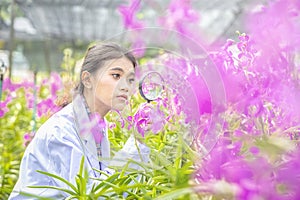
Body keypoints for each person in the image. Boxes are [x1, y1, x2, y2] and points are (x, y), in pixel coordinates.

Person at [9, 42, 150, 199]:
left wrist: (140, 140)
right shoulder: (61, 131)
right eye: (116, 76)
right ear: (87, 79)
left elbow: (113, 190)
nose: (126, 87)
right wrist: (135, 143)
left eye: (130, 80)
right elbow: (91, 195)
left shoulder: (96, 128)